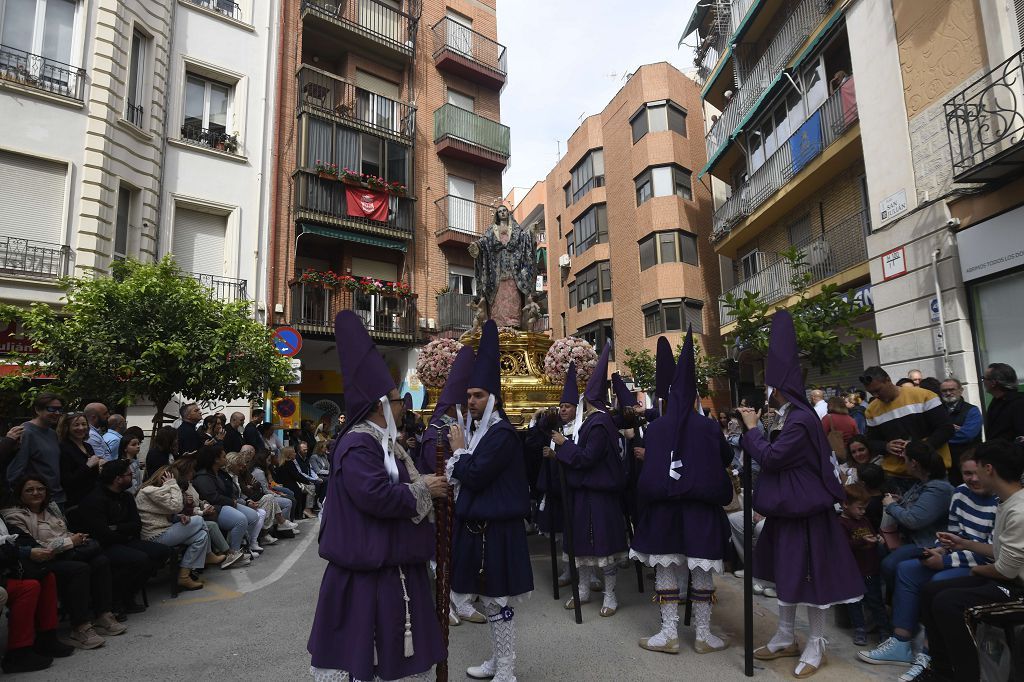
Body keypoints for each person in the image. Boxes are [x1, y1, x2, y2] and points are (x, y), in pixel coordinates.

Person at [308, 310, 448, 681]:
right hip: (366, 568)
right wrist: (424, 489)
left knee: (382, 661)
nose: (403, 405)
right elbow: (374, 495)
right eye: (397, 398)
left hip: (389, 563)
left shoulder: (383, 442)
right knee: (361, 659)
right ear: (381, 404)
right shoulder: (359, 444)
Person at [739, 310, 863, 678]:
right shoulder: (793, 415)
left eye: (770, 388)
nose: (768, 394)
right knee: (787, 574)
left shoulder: (801, 418)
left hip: (808, 511)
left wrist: (751, 430)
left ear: (780, 389)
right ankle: (785, 635)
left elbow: (773, 458)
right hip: (788, 510)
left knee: (812, 578)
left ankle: (816, 643)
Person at [630, 330, 733, 654]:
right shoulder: (709, 426)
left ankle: (669, 632)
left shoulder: (656, 427)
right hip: (700, 512)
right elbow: (726, 457)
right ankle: (702, 635)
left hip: (664, 511)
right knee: (701, 574)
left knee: (666, 570)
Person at [447, 320, 533, 681]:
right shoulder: (482, 434)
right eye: (468, 396)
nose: (470, 401)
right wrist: (465, 455)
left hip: (497, 531)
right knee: (488, 601)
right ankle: (498, 661)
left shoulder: (501, 435)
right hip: (481, 532)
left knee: (498, 603)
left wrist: (460, 453)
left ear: (493, 398)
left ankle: (507, 670)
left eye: (478, 395)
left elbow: (476, 475)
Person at [859, 451, 997, 670]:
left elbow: (992, 553)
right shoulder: (961, 493)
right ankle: (900, 642)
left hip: (984, 567)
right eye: (967, 473)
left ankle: (929, 654)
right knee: (906, 569)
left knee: (938, 582)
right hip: (955, 555)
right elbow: (953, 535)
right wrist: (940, 551)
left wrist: (945, 561)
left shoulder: (1000, 502)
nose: (973, 479)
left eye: (977, 473)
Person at [912, 440, 1024, 681]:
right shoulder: (1007, 501)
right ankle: (942, 671)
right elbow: (999, 551)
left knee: (948, 602)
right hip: (1006, 580)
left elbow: (1005, 571)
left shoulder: (1019, 509)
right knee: (930, 590)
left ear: (989, 469)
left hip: (1016, 588)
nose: (974, 475)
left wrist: (976, 571)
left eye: (979, 467)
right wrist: (964, 543)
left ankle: (964, 676)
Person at [547, 344, 629, 618]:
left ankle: (610, 594)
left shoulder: (599, 424)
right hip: (583, 494)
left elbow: (587, 458)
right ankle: (582, 590)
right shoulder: (592, 422)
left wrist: (563, 446)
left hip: (600, 494)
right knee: (581, 546)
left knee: (604, 546)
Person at [2, 476, 124, 648]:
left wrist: (76, 538)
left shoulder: (50, 508)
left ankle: (103, 614)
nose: (36, 493)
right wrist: (70, 542)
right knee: (79, 569)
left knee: (100, 561)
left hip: (64, 554)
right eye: (29, 490)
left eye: (40, 489)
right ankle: (79, 626)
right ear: (19, 494)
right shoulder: (14, 516)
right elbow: (36, 548)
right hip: (38, 562)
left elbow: (64, 531)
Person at [73, 459, 172, 617]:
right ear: (117, 478)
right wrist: (124, 530)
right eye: (129, 475)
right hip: (105, 545)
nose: (132, 478)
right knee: (139, 559)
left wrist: (118, 527)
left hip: (125, 540)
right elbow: (102, 533)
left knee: (163, 552)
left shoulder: (126, 497)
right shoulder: (94, 500)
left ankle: (129, 592)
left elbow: (136, 525)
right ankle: (116, 599)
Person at [0, 512, 74, 673]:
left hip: (8, 567)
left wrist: (28, 548)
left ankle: (47, 638)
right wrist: (25, 552)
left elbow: (21, 537)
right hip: (5, 571)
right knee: (28, 587)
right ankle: (18, 653)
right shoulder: (13, 513)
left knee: (46, 576)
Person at [860, 366, 954, 492]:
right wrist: (886, 446)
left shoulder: (924, 396)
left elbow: (946, 429)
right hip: (896, 476)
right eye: (871, 393)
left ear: (888, 380)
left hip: (930, 472)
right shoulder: (872, 410)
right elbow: (871, 442)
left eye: (878, 390)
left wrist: (918, 448)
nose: (876, 395)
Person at [878, 441, 954, 593]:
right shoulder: (922, 483)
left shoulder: (938, 488)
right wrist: (899, 502)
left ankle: (908, 593)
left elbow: (913, 520)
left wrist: (891, 505)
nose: (903, 463)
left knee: (889, 565)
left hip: (928, 543)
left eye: (905, 459)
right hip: (912, 539)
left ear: (914, 463)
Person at [135, 466, 209, 591]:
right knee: (199, 520)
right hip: (155, 536)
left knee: (201, 536)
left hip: (163, 530)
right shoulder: (150, 490)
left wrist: (179, 517)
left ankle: (184, 576)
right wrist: (172, 485)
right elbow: (176, 506)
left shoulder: (158, 490)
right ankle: (209, 554)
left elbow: (165, 512)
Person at [192, 443, 260, 567]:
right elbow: (213, 497)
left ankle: (242, 546)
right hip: (214, 508)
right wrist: (231, 501)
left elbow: (228, 491)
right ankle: (233, 553)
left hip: (226, 503)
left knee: (253, 516)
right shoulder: (203, 477)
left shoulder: (219, 473)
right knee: (240, 520)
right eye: (223, 457)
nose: (225, 459)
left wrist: (235, 500)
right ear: (216, 459)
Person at [469, 206, 537, 328]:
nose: (502, 213)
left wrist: (531, 232)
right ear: (497, 215)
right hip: (497, 274)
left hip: (513, 272)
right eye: (500, 211)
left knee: (513, 297)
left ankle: (514, 323)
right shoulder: (492, 230)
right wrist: (476, 245)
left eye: (504, 210)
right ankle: (497, 325)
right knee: (498, 299)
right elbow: (484, 241)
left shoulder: (516, 229)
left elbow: (524, 239)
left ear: (508, 213)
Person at [838, 483, 889, 646]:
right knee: (854, 603)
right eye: (859, 508)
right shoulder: (840, 523)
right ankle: (859, 629)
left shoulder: (864, 520)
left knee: (875, 601)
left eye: (864, 508)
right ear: (845, 504)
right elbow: (842, 546)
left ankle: (884, 630)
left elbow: (871, 534)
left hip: (870, 569)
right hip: (852, 571)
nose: (863, 511)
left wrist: (878, 539)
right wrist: (861, 541)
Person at [7, 393, 66, 506]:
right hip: (37, 501)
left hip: (57, 498)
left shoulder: (53, 434)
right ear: (37, 410)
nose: (57, 413)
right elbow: (15, 470)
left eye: (59, 409)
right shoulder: (25, 433)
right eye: (52, 409)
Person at [56, 411, 104, 509]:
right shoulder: (63, 448)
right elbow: (67, 481)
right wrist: (88, 466)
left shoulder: (88, 446)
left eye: (84, 424)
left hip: (93, 498)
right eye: (76, 425)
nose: (81, 428)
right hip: (77, 503)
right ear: (67, 428)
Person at [939, 378, 982, 486]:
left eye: (952, 389)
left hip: (968, 462)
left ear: (960, 390)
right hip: (946, 464)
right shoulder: (938, 411)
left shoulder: (972, 410)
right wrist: (951, 430)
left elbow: (967, 435)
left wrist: (940, 436)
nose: (948, 393)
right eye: (944, 391)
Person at [983, 362, 1024, 443]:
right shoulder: (996, 401)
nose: (983, 381)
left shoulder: (1019, 403)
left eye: (984, 378)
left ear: (993, 383)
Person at [275, 446, 316, 519]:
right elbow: (297, 475)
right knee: (311, 488)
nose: (295, 454)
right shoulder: (289, 463)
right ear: (289, 454)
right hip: (291, 486)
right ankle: (307, 510)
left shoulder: (280, 464)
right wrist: (308, 481)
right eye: (293, 452)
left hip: (285, 485)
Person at [118, 426, 145, 495]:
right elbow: (131, 486)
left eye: (138, 444)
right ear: (125, 448)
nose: (138, 446)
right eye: (134, 445)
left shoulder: (135, 461)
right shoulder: (124, 465)